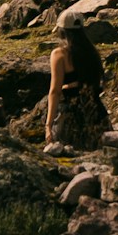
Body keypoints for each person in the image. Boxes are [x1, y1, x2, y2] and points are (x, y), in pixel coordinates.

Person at [44, 17, 110, 152]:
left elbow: (55, 91)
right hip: (96, 111)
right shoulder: (92, 52)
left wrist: (48, 125)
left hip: (71, 115)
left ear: (62, 32)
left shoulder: (59, 54)